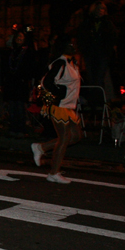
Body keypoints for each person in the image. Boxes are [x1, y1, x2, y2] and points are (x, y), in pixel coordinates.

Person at [31, 36, 83, 184]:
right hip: (59, 106)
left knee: (76, 136)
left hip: (69, 106)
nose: (74, 46)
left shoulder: (72, 62)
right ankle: (54, 172)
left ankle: (41, 147)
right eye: (71, 44)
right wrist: (59, 93)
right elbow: (46, 81)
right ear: (64, 47)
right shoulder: (60, 62)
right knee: (64, 138)